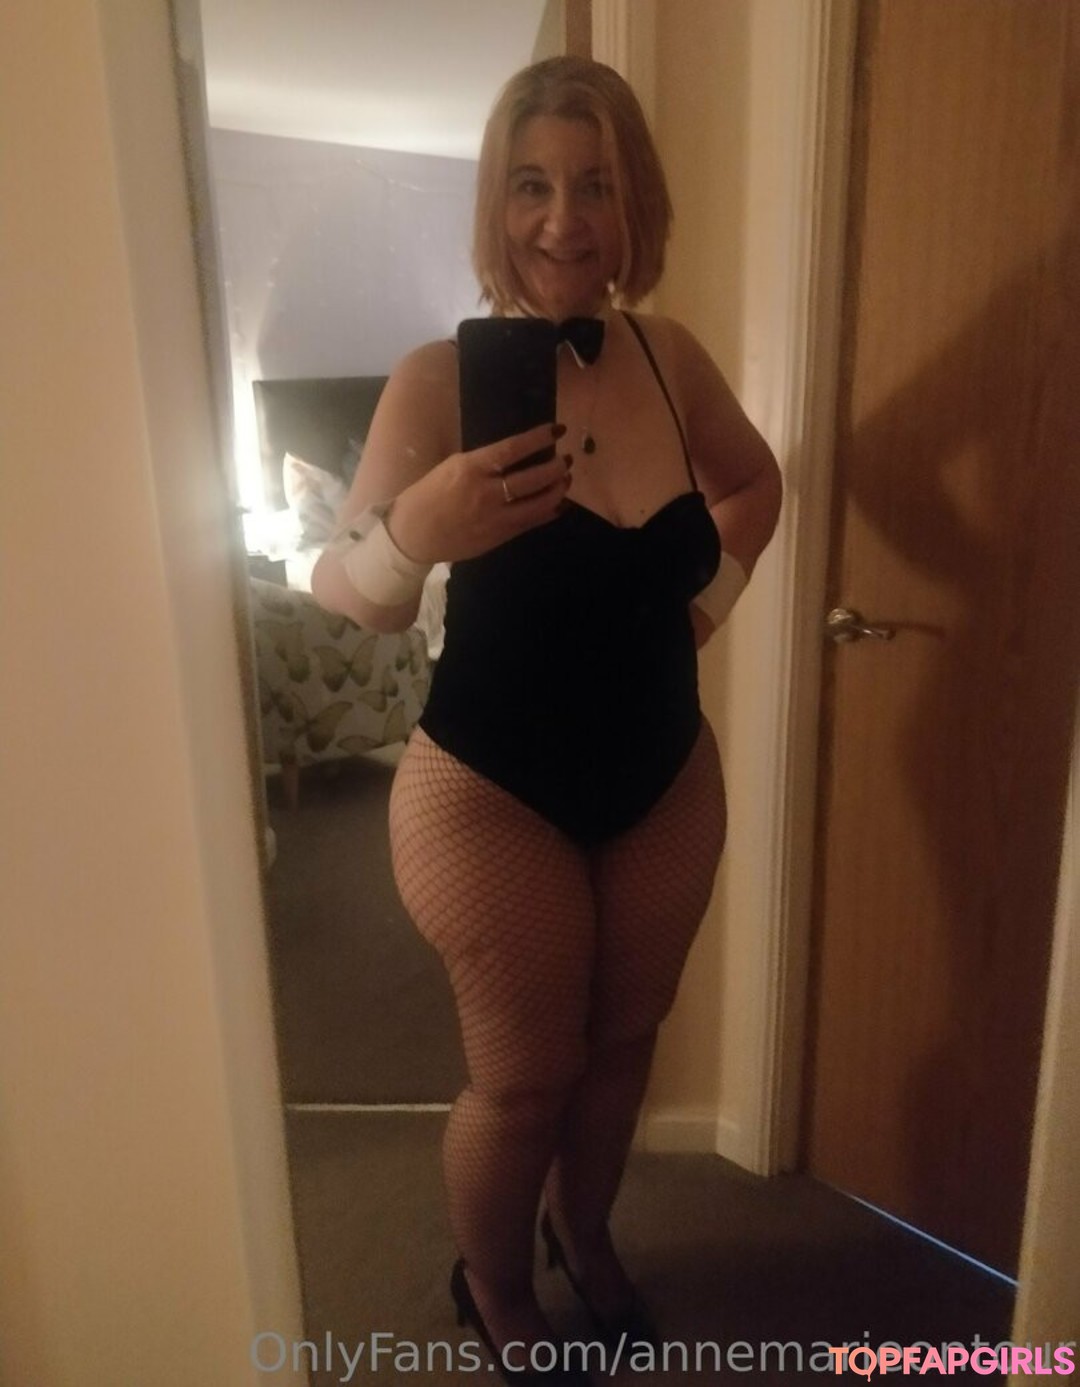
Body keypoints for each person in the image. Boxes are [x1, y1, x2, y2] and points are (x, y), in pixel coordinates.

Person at [312, 55, 781, 1384]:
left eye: (596, 186)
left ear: (637, 207)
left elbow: (756, 485)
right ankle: (498, 1285)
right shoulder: (434, 382)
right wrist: (418, 529)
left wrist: (703, 612)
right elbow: (350, 596)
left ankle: (586, 1230)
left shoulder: (670, 359)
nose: (564, 221)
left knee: (624, 1047)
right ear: (494, 204)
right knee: (523, 1079)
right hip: (490, 787)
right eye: (531, 186)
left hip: (665, 775)